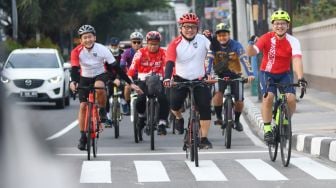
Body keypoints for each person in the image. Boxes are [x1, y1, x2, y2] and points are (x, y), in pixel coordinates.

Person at [69, 24, 142, 150]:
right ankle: (82, 137)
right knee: (83, 106)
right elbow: (74, 69)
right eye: (84, 38)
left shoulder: (102, 49)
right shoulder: (76, 51)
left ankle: (103, 110)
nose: (88, 40)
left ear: (95, 37)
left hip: (100, 74)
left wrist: (130, 83)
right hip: (84, 77)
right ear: (81, 40)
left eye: (90, 37)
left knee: (99, 86)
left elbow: (116, 68)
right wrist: (73, 82)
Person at [246, 9, 307, 143]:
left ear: (288, 25)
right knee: (269, 97)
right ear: (273, 25)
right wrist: (250, 44)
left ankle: (285, 121)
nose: (280, 26)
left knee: (291, 99)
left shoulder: (293, 41)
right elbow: (252, 52)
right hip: (267, 73)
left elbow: (296, 59)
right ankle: (267, 129)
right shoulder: (266, 38)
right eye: (277, 23)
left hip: (284, 74)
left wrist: (301, 78)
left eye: (283, 23)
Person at [163, 13, 213, 149]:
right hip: (180, 79)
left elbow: (214, 51)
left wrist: (211, 74)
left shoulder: (203, 40)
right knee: (174, 105)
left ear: (197, 28)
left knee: (205, 107)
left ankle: (203, 138)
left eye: (193, 27)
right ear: (181, 28)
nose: (190, 30)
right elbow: (169, 62)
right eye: (186, 27)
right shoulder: (175, 44)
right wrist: (167, 77)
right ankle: (179, 118)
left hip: (200, 79)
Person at [206, 23, 255, 132]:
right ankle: (219, 117)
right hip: (219, 75)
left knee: (239, 100)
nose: (222, 38)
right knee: (218, 93)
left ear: (229, 35)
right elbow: (208, 60)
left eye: (224, 35)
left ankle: (237, 121)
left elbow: (244, 59)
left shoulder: (236, 45)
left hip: (235, 75)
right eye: (219, 36)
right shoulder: (213, 46)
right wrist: (208, 74)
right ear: (216, 37)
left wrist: (250, 74)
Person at [127, 31, 169, 135]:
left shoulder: (164, 52)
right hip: (143, 80)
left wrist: (170, 78)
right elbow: (132, 68)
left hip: (159, 80)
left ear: (159, 44)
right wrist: (130, 80)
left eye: (155, 44)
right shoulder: (140, 52)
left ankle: (162, 123)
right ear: (147, 43)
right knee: (140, 100)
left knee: (164, 98)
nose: (153, 47)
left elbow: (168, 67)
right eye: (150, 44)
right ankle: (141, 117)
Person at [120, 31, 144, 115]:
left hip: (143, 75)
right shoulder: (127, 52)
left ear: (142, 42)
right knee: (127, 87)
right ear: (131, 42)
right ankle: (127, 104)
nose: (136, 44)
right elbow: (122, 64)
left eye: (139, 42)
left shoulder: (145, 51)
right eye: (134, 42)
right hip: (131, 75)